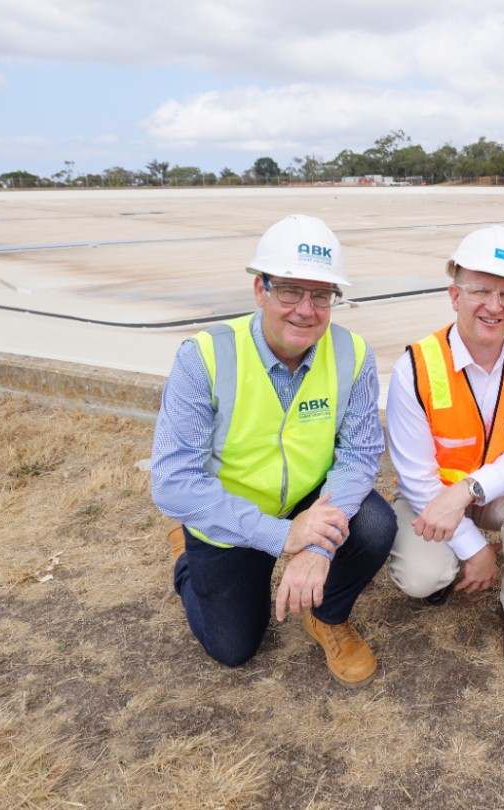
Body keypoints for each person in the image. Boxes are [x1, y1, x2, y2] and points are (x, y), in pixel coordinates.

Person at [152, 214, 397, 687]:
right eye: (290, 290)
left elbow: (361, 454)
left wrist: (317, 544)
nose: (306, 310)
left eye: (321, 294)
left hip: (311, 500)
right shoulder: (204, 355)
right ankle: (188, 560)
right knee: (233, 649)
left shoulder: (353, 353)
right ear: (260, 289)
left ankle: (327, 615)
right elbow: (172, 483)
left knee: (374, 524)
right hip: (231, 515)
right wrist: (281, 536)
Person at [385, 225, 504, 676]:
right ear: (454, 295)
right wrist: (475, 549)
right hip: (430, 496)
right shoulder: (415, 367)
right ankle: (451, 566)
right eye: (480, 290)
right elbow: (415, 476)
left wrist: (467, 491)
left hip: (491, 493)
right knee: (422, 579)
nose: (494, 305)